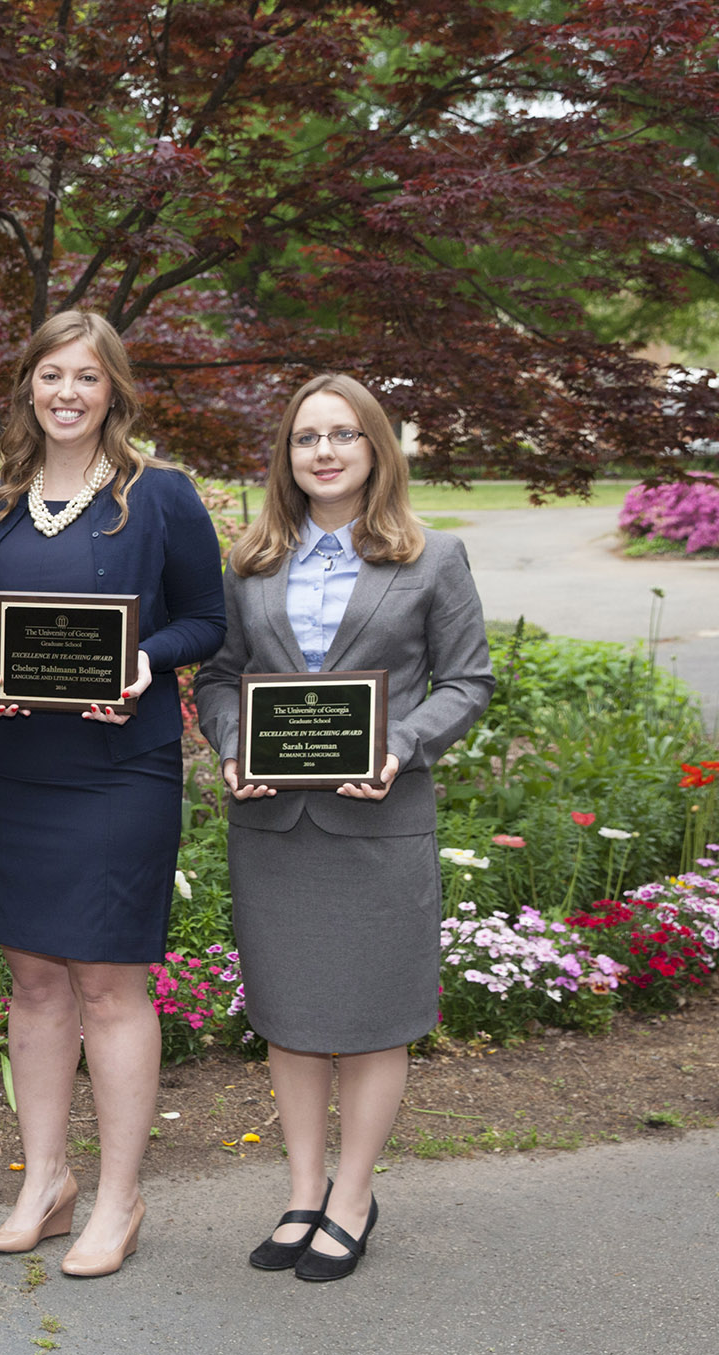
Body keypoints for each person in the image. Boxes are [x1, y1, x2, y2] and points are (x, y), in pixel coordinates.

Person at [195, 373, 492, 1282]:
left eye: (342, 435)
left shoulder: (432, 559)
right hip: (275, 825)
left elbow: (468, 681)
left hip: (378, 825)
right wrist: (236, 745)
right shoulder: (250, 562)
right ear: (286, 456)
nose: (323, 452)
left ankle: (353, 1197)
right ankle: (301, 1191)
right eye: (304, 438)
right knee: (290, 1018)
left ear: (376, 449)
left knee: (371, 1021)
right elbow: (218, 678)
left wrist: (400, 744)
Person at [0, 310, 226, 1277]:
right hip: (14, 769)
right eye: (49, 376)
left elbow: (207, 620)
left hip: (120, 771)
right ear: (27, 386)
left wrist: (144, 666)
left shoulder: (159, 497)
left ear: (113, 388)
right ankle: (45, 1179)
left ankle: (119, 1195)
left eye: (87, 377)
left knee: (110, 983)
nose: (67, 393)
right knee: (33, 981)